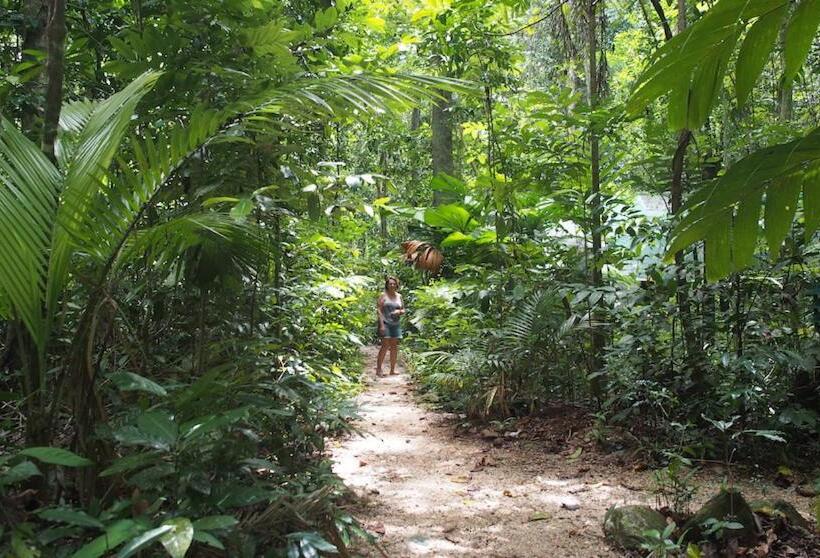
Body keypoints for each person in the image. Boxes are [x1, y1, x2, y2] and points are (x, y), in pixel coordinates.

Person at [376, 276, 405, 376]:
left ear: (397, 285)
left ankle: (392, 370)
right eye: (390, 284)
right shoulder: (383, 295)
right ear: (387, 285)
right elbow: (379, 310)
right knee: (385, 345)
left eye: (394, 283)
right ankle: (379, 369)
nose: (392, 285)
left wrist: (399, 311)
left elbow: (403, 309)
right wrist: (381, 325)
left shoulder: (399, 296)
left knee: (394, 346)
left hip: (396, 324)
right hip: (385, 323)